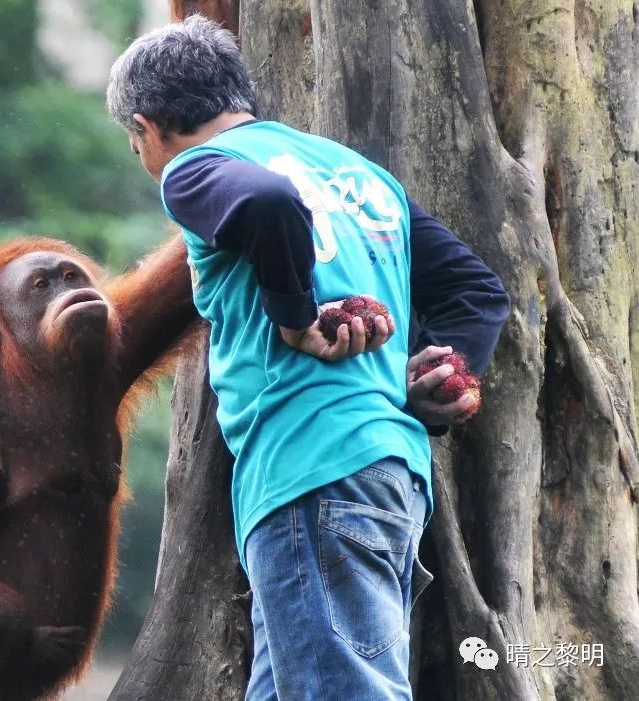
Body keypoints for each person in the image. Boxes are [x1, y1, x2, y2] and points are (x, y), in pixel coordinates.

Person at [106, 16, 510, 701]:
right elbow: (478, 289)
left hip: (309, 469)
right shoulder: (360, 174)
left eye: (134, 143)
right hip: (392, 471)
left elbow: (267, 203)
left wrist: (296, 321)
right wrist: (452, 373)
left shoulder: (195, 168)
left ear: (148, 127)